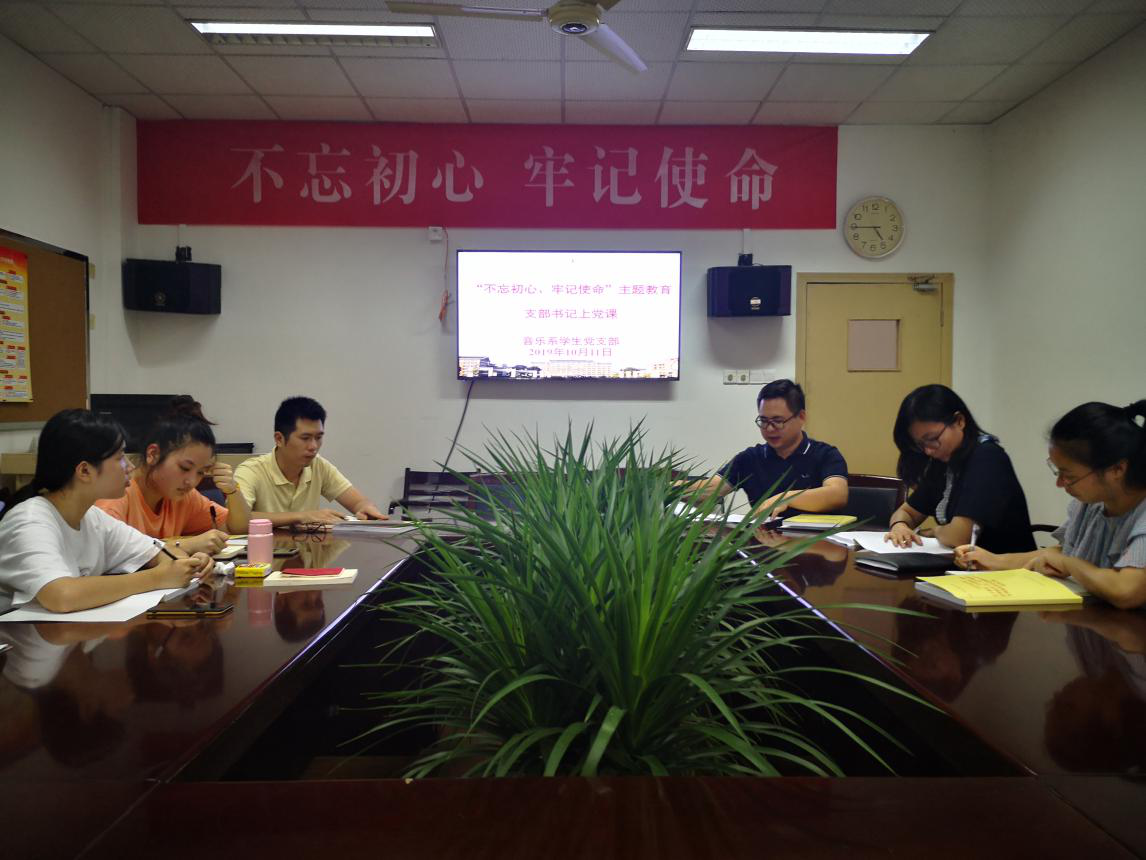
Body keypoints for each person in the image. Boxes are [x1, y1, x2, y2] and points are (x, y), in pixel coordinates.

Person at [0, 409, 212, 613]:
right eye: (120, 458)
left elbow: (160, 552)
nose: (130, 466)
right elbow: (62, 595)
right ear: (85, 471)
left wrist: (187, 563)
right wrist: (157, 578)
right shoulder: (30, 521)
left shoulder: (93, 518)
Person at [956, 400, 1146, 609]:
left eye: (1069, 476)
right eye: (1057, 472)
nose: (1060, 484)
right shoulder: (1091, 504)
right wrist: (993, 560)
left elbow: (1126, 590)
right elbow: (1060, 554)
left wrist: (1069, 564)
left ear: (1116, 470)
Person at [885, 385, 1034, 553]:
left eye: (932, 438)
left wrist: (932, 532)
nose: (928, 450)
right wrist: (900, 526)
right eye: (921, 444)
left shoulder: (988, 458)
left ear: (959, 421)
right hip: (964, 565)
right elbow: (907, 512)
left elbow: (959, 536)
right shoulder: (943, 461)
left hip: (1005, 566)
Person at [95, 396, 249, 555]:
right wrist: (184, 545)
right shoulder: (116, 495)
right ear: (153, 454)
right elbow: (106, 556)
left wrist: (233, 490)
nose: (192, 482)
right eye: (184, 468)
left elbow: (237, 528)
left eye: (201, 472)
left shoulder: (183, 497)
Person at [688, 379, 848, 516]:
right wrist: (674, 487)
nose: (770, 429)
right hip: (762, 540)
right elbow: (711, 488)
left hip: (816, 540)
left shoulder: (825, 454)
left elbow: (837, 494)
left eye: (778, 421)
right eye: (764, 421)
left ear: (801, 417)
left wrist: (786, 498)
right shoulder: (750, 458)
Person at [234, 396, 386, 527]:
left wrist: (366, 508)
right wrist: (302, 516)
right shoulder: (250, 471)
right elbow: (237, 521)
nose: (313, 446)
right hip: (263, 551)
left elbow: (358, 502)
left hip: (306, 550)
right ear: (279, 439)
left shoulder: (318, 465)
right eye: (305, 438)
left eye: (318, 438)